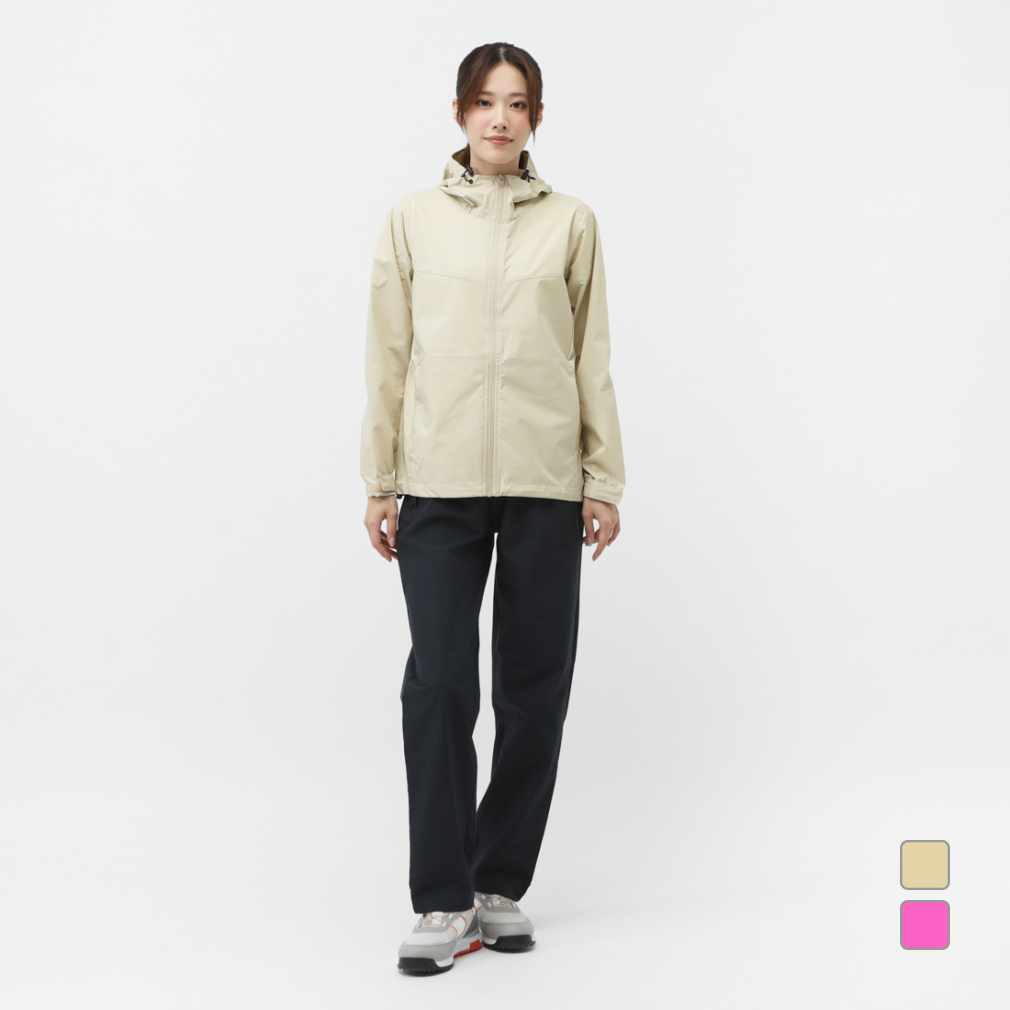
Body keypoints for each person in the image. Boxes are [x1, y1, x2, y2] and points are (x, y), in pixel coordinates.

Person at [359, 42, 626, 976]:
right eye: (484, 102)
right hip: (438, 476)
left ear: (536, 118)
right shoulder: (413, 219)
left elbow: (591, 355)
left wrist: (603, 479)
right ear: (460, 113)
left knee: (534, 683)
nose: (500, 118)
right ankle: (442, 897)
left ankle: (497, 884)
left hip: (547, 479)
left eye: (517, 103)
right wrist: (380, 477)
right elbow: (388, 356)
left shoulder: (572, 222)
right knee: (439, 683)